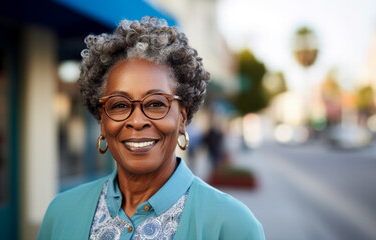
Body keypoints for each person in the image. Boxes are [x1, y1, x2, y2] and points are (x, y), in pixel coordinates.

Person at [38, 17, 264, 240]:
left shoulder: (232, 226)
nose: (137, 121)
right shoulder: (61, 213)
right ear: (103, 122)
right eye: (119, 105)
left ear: (182, 118)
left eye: (156, 103)